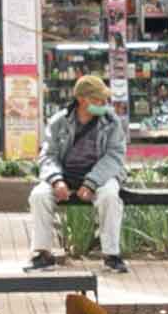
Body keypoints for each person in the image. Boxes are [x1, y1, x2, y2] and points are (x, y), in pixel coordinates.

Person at [28, 74, 128, 273]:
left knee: (109, 195)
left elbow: (114, 156)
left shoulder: (111, 122)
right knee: (38, 196)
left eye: (104, 99)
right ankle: (42, 254)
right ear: (82, 99)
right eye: (98, 99)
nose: (103, 103)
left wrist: (91, 182)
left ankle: (111, 255)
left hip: (100, 176)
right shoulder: (59, 121)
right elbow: (48, 155)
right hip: (65, 175)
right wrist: (56, 180)